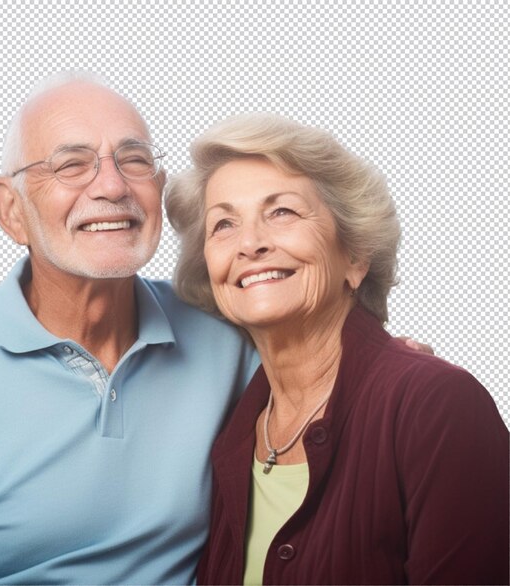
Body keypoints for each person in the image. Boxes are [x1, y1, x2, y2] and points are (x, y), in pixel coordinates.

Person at [0, 72, 431, 585]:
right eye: (72, 164)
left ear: (160, 189)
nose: (112, 186)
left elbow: (320, 370)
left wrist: (387, 365)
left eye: (134, 160)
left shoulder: (226, 340)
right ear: (12, 211)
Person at [166, 113, 509, 585]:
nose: (249, 244)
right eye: (223, 224)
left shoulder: (437, 406)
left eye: (281, 212)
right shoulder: (233, 432)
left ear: (355, 254)